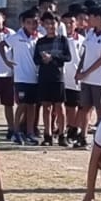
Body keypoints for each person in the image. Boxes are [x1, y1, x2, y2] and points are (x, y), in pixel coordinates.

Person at [2, 7, 43, 145]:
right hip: (21, 78)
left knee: (32, 106)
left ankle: (30, 132)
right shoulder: (16, 37)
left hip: (35, 77)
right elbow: (2, 45)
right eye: (29, 22)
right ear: (23, 23)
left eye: (35, 22)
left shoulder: (40, 38)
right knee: (22, 105)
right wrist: (7, 61)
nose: (32, 25)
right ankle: (16, 131)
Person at [74, 2, 101, 144]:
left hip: (99, 79)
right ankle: (83, 136)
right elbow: (85, 54)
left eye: (90, 16)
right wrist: (79, 71)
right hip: (86, 79)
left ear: (98, 17)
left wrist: (86, 72)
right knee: (84, 107)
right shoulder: (90, 33)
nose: (88, 19)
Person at [35, 12, 72, 146]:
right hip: (44, 77)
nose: (50, 26)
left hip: (57, 77)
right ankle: (47, 135)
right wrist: (43, 59)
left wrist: (53, 58)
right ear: (43, 25)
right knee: (46, 107)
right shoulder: (40, 41)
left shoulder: (63, 40)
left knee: (59, 107)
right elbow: (36, 59)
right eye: (47, 23)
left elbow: (68, 57)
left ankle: (62, 134)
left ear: (58, 24)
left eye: (53, 23)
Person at [61, 7, 87, 147]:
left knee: (75, 106)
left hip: (75, 78)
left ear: (76, 24)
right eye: (65, 23)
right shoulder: (59, 40)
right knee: (63, 106)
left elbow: (84, 58)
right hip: (61, 78)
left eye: (71, 22)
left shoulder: (82, 40)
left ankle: (73, 128)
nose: (68, 25)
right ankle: (64, 128)